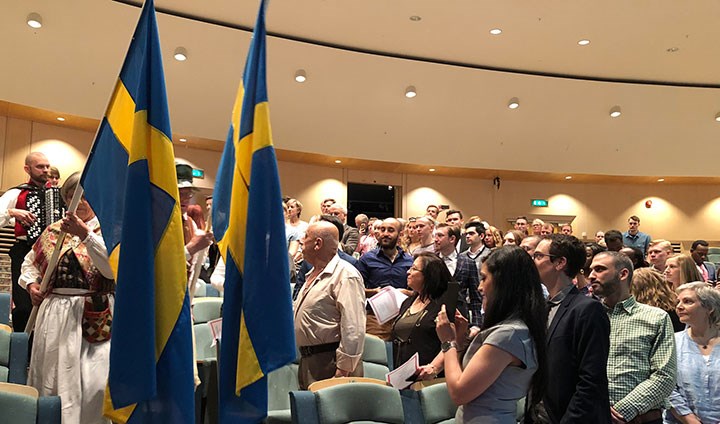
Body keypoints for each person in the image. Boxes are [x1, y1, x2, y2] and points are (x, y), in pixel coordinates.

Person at [19, 172, 114, 423]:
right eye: (73, 197)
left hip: (93, 312)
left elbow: (111, 268)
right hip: (55, 313)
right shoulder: (53, 231)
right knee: (53, 376)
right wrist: (32, 285)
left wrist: (85, 235)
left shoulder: (108, 230)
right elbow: (29, 264)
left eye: (84, 197)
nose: (79, 202)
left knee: (93, 381)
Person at [436, 246, 547, 423]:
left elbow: (459, 393)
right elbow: (461, 375)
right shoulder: (511, 329)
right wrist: (458, 339)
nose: (480, 287)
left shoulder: (509, 334)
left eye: (484, 278)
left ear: (504, 283)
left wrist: (447, 342)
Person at [588, 251, 676, 424]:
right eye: (590, 270)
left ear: (623, 274)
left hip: (641, 418)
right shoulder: (586, 316)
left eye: (599, 269)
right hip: (591, 416)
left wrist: (622, 410)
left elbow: (665, 375)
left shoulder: (656, 317)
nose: (591, 276)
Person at [534, 235, 611, 424]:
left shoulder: (588, 309)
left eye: (537, 256)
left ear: (560, 263)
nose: (532, 262)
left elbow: (591, 380)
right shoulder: (542, 307)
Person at [293, 221, 366, 389]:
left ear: (318, 243)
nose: (301, 240)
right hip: (309, 360)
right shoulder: (312, 273)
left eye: (305, 236)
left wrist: (343, 370)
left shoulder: (346, 275)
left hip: (331, 363)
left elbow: (353, 327)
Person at [0, 151, 52, 331]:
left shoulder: (57, 194)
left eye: (47, 166)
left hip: (51, 253)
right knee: (23, 306)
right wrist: (12, 212)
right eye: (40, 167)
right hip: (24, 250)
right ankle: (22, 350)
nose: (45, 170)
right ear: (27, 169)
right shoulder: (17, 193)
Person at [392, 252, 462, 372]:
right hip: (403, 374)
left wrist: (434, 367)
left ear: (429, 275)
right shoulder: (408, 302)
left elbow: (454, 340)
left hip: (432, 376)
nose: (408, 272)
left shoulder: (448, 303)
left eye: (414, 269)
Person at [665, 282, 720, 424]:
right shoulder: (672, 342)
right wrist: (690, 420)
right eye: (678, 301)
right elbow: (667, 387)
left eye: (687, 301)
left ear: (710, 308)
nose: (679, 306)